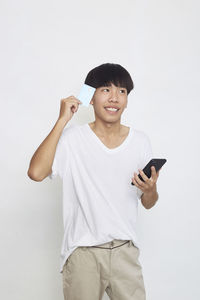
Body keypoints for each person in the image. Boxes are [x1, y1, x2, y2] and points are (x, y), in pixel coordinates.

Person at [27, 63, 161, 300]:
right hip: (83, 255)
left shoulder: (140, 142)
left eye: (122, 91)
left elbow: (148, 203)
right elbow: (36, 173)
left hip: (125, 253)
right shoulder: (72, 139)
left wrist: (150, 190)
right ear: (90, 97)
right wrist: (62, 120)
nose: (114, 98)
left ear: (127, 100)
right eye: (105, 89)